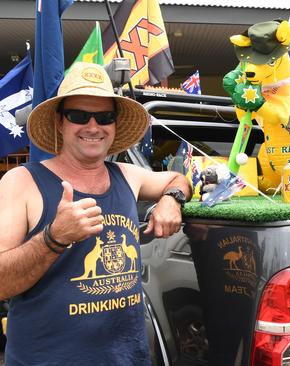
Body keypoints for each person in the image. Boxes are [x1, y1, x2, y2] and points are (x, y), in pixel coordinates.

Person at [0, 62, 191, 365]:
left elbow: (178, 179)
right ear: (60, 123)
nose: (93, 127)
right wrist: (53, 238)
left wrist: (172, 199)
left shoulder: (128, 175)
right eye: (79, 116)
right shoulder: (21, 182)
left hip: (129, 358)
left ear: (114, 125)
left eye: (104, 117)